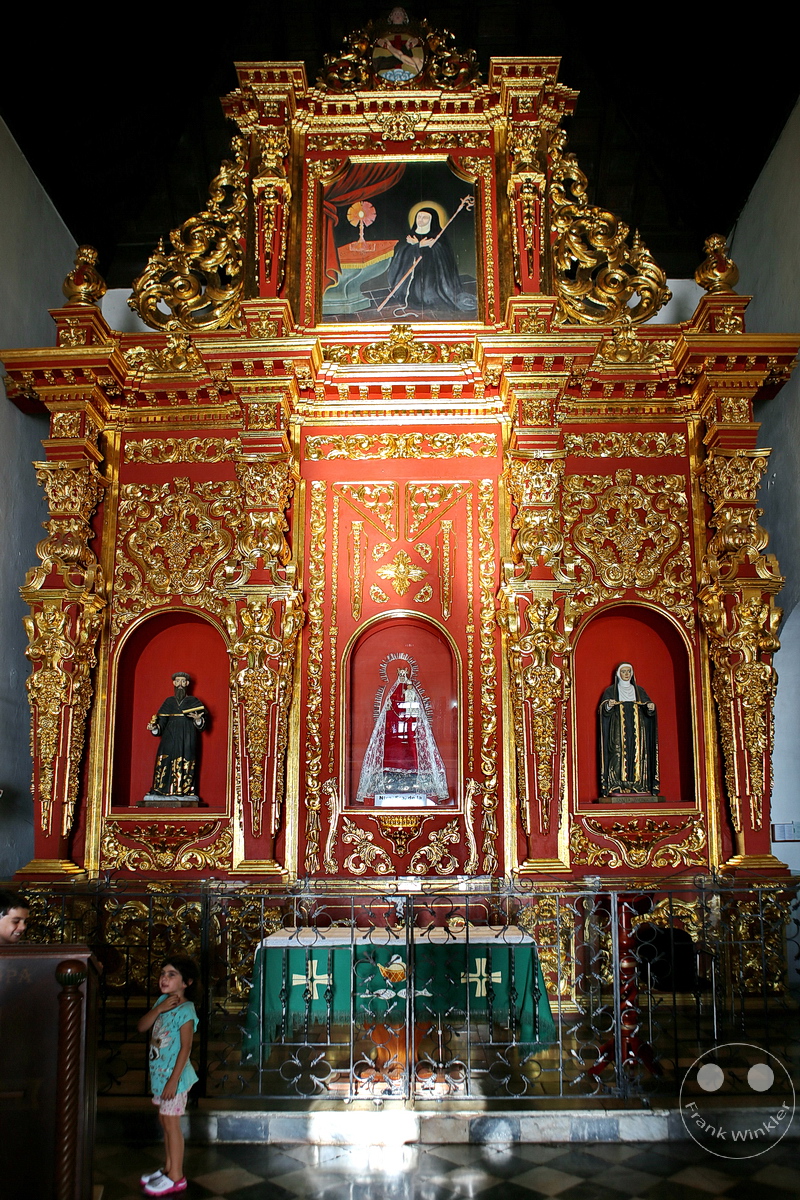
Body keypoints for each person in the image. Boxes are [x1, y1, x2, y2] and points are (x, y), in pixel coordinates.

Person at [137, 955, 199, 1196]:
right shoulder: (162, 1001)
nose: (164, 978)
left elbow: (186, 1047)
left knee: (172, 1124)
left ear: (187, 983)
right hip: (161, 1077)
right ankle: (169, 1168)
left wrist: (173, 1081)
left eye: (172, 975)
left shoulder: (187, 1010)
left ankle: (177, 1177)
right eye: (163, 973)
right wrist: (160, 1008)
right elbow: (142, 1026)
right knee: (165, 1122)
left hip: (176, 1080)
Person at [356, 664, 448, 804]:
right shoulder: (391, 700)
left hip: (411, 737)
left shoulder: (411, 696)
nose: (403, 678)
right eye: (401, 675)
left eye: (405, 675)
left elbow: (416, 717)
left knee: (413, 750)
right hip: (392, 741)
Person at [385, 207, 476, 315]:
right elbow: (402, 254)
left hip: (431, 276)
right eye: (419, 217)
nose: (421, 220)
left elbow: (442, 255)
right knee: (408, 293)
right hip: (411, 276)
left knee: (426, 296)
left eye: (425, 218)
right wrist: (417, 245)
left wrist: (426, 247)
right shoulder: (411, 235)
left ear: (432, 220)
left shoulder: (437, 236)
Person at [599, 663, 659, 797]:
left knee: (639, 753)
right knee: (617, 752)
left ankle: (639, 785)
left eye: (628, 671)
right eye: (624, 672)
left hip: (638, 728)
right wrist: (608, 705)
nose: (626, 674)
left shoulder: (639, 691)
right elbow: (604, 711)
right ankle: (616, 785)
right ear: (618, 674)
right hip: (618, 727)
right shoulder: (611, 691)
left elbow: (648, 709)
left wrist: (650, 707)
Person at [147, 672, 206, 798]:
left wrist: (197, 720)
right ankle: (161, 789)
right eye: (177, 681)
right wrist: (154, 728)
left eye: (183, 681)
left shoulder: (193, 701)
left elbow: (202, 725)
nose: (180, 684)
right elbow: (161, 724)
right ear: (174, 683)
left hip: (187, 739)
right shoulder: (169, 702)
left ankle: (184, 791)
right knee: (165, 761)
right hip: (169, 738)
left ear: (187, 683)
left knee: (186, 764)